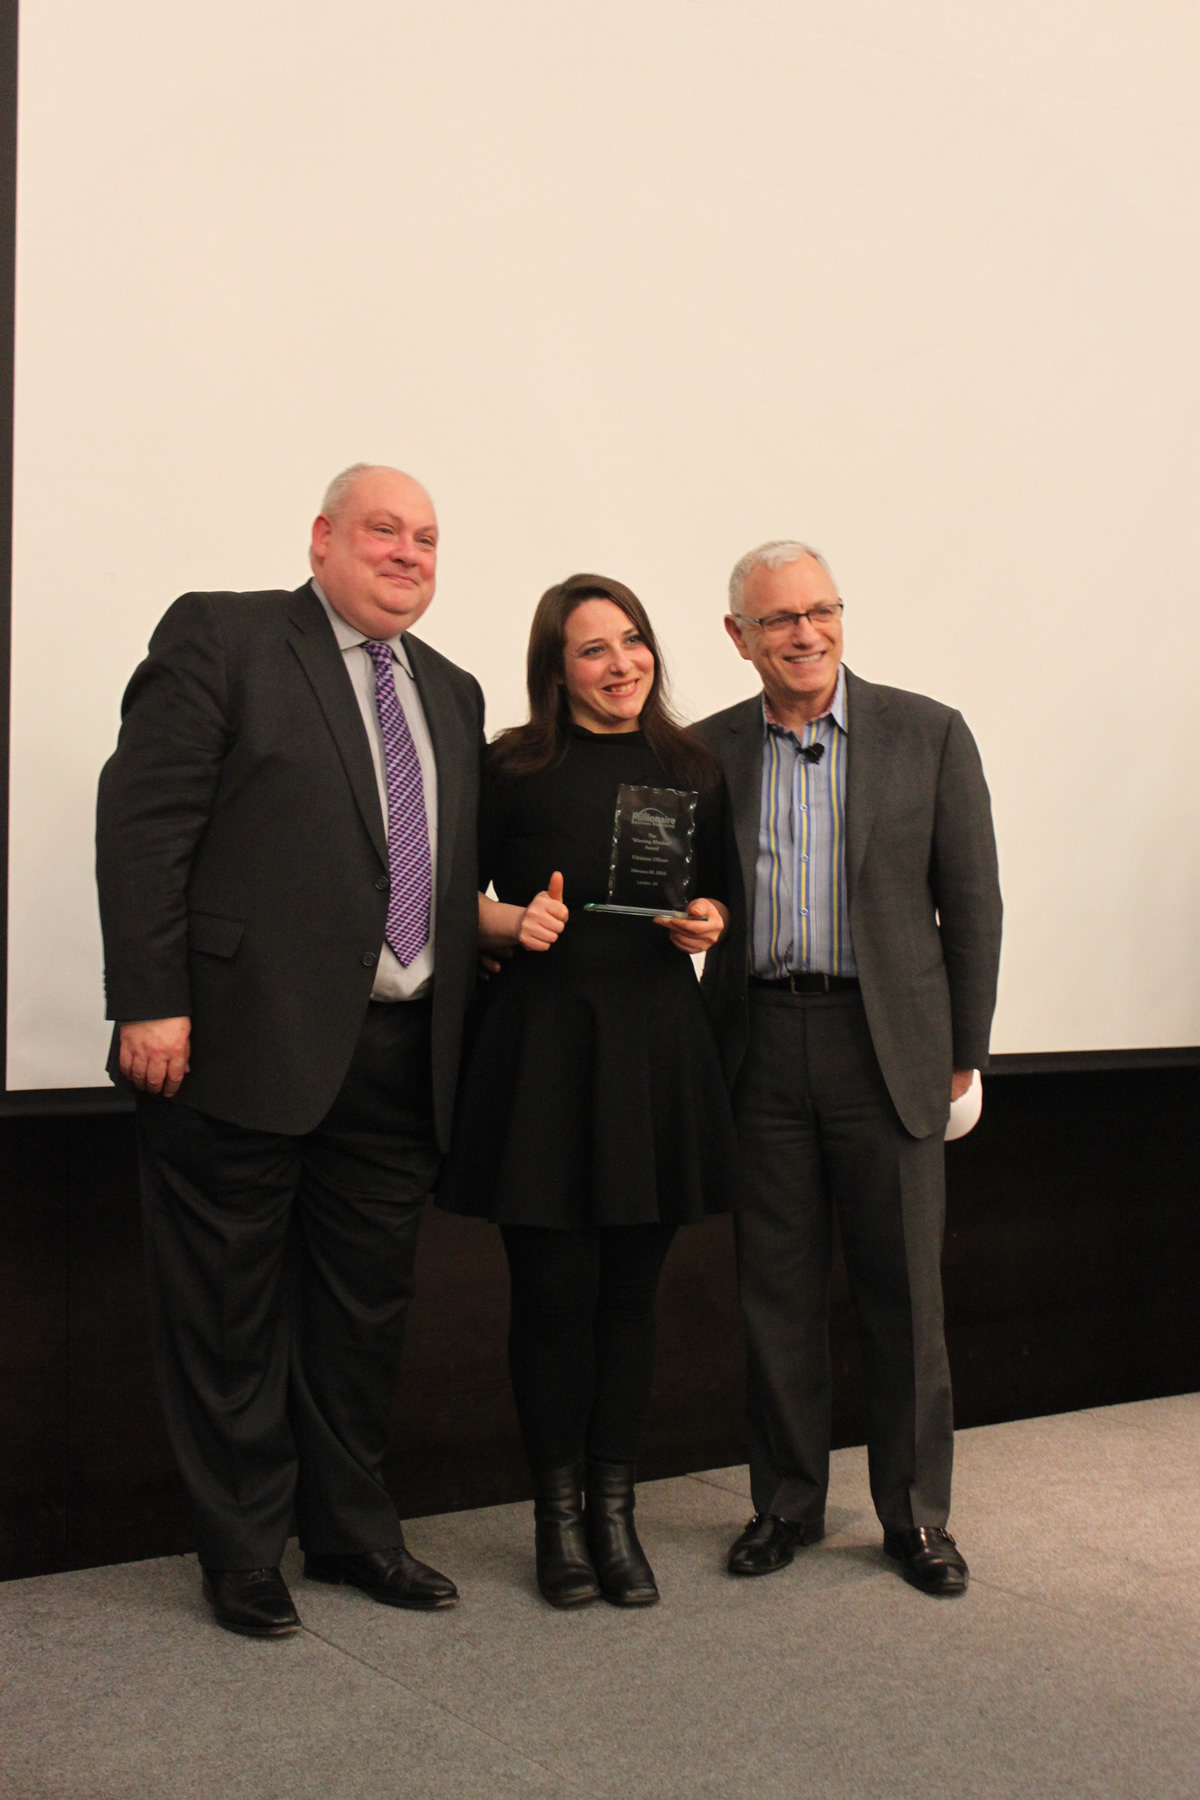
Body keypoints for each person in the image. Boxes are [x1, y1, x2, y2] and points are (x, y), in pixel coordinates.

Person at [95, 464, 484, 1637]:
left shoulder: (452, 690)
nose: (408, 553)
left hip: (401, 1055)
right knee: (227, 1315)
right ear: (322, 538)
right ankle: (243, 1553)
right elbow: (145, 824)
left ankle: (353, 1534)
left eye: (426, 538)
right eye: (384, 531)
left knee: (363, 1317)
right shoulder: (224, 636)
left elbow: (432, 870)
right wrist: (150, 999)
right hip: (234, 1042)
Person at [695, 541, 1002, 1597]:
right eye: (779, 619)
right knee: (774, 1293)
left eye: (820, 610)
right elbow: (689, 895)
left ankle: (916, 1518)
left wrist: (963, 1053)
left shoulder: (928, 732)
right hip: (759, 1043)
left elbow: (973, 902)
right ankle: (785, 1503)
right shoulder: (706, 750)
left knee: (904, 1295)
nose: (806, 634)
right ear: (739, 637)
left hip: (889, 1047)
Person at [437, 574, 738, 1609]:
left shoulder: (692, 766)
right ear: (555, 670)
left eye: (634, 640)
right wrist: (507, 921)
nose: (622, 664)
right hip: (543, 1059)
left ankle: (616, 1514)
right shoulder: (509, 768)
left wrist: (709, 921)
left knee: (628, 1303)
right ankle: (557, 1521)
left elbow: (719, 895)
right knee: (552, 1303)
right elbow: (442, 899)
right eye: (594, 649)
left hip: (655, 1054)